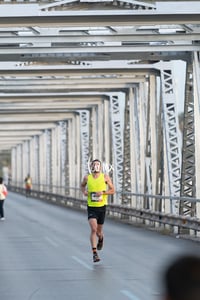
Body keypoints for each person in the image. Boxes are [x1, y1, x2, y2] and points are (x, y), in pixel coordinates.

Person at [81, 159, 115, 263]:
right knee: (94, 229)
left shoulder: (105, 177)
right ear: (91, 167)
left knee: (99, 232)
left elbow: (113, 190)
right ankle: (94, 253)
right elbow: (82, 185)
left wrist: (103, 192)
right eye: (94, 165)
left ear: (100, 167)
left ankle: (101, 239)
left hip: (101, 207)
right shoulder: (87, 177)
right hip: (91, 207)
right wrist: (84, 192)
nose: (96, 166)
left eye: (98, 165)